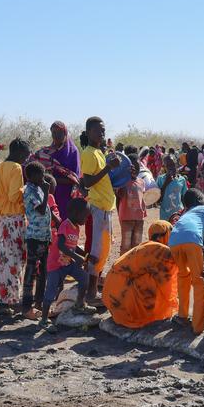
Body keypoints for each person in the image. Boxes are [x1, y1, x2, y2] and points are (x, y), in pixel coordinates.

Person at [103, 220, 178, 329]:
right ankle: (143, 314)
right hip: (123, 300)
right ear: (166, 235)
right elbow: (170, 278)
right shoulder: (160, 250)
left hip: (112, 296)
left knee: (153, 275)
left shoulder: (146, 246)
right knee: (159, 279)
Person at [0, 138, 30, 309]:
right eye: (25, 156)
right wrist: (25, 190)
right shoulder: (16, 168)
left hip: (2, 220)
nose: (26, 159)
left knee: (4, 259)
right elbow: (14, 196)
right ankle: (13, 298)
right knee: (17, 259)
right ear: (19, 153)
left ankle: (5, 297)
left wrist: (2, 193)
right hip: (16, 220)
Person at [80, 117, 120, 303]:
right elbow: (87, 182)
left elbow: (102, 179)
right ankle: (90, 293)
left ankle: (92, 291)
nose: (102, 134)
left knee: (103, 251)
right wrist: (108, 168)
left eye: (103, 131)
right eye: (98, 131)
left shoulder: (98, 152)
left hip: (105, 207)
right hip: (98, 208)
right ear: (88, 132)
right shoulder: (88, 153)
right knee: (96, 251)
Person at [167, 189, 204, 334]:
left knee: (183, 277)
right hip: (192, 241)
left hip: (174, 241)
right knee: (198, 280)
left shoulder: (186, 214)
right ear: (200, 201)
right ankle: (198, 326)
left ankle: (182, 316)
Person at [40, 198, 92, 333]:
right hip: (56, 265)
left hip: (68, 263)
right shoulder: (65, 225)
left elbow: (73, 247)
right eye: (85, 215)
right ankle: (44, 319)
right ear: (75, 213)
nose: (86, 218)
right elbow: (61, 245)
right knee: (51, 291)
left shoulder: (76, 227)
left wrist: (87, 255)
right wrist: (77, 257)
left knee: (84, 277)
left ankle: (79, 304)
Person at [28, 121, 82, 220]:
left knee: (64, 222)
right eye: (53, 132)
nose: (56, 135)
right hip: (49, 193)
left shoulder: (73, 152)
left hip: (66, 195)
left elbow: (75, 178)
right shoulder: (47, 152)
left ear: (65, 133)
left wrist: (53, 179)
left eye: (59, 132)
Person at [21, 161, 53, 320]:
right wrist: (46, 192)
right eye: (41, 174)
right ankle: (26, 307)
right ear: (32, 176)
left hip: (44, 236)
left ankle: (39, 303)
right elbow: (40, 210)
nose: (43, 177)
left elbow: (46, 210)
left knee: (44, 272)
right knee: (31, 272)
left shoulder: (38, 189)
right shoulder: (29, 191)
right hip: (34, 237)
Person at [117, 155, 147, 256]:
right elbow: (119, 195)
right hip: (126, 218)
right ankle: (123, 266)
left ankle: (134, 265)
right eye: (133, 167)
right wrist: (126, 179)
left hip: (139, 218)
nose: (136, 169)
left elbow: (142, 199)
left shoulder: (141, 182)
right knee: (126, 245)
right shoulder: (123, 182)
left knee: (137, 244)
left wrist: (144, 213)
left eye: (138, 166)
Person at [157, 155, 188, 223]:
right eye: (168, 165)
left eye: (172, 164)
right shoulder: (160, 179)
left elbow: (185, 197)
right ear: (164, 167)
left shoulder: (182, 179)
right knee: (166, 232)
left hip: (178, 214)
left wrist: (185, 211)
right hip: (165, 215)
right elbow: (158, 200)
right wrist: (166, 183)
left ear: (176, 164)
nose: (171, 167)